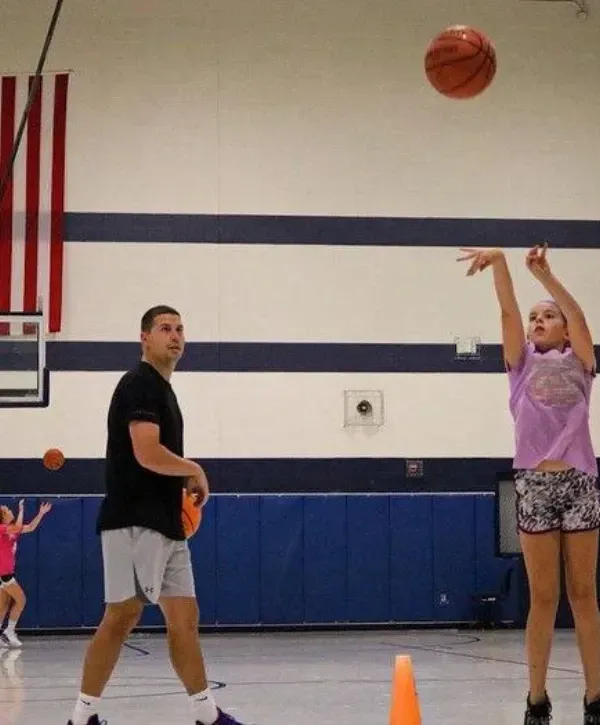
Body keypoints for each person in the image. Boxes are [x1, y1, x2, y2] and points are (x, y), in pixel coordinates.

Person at [67, 305, 249, 725]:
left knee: (184, 619)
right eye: (165, 328)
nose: (175, 335)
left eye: (180, 328)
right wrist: (193, 468)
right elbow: (146, 452)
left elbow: (155, 458)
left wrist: (180, 480)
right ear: (144, 338)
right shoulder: (139, 384)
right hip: (133, 521)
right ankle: (81, 718)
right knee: (122, 616)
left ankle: (206, 715)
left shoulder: (165, 392)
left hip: (167, 524)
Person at [458, 243, 600, 725]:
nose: (538, 320)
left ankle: (595, 697)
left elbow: (579, 318)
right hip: (535, 488)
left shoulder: (580, 364)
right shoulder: (520, 366)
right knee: (544, 597)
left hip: (579, 483)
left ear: (562, 329)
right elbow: (506, 310)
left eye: (547, 317)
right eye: (535, 317)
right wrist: (500, 262)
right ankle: (536, 699)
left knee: (583, 594)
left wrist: (548, 278)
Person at [0, 500, 52, 647]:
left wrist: (41, 514)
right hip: (4, 574)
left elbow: (30, 527)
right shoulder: (2, 529)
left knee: (3, 604)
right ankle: (9, 632)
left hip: (6, 573)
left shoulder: (11, 530)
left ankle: (4, 634)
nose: (11, 512)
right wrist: (21, 510)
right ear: (2, 517)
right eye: (7, 511)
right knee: (21, 600)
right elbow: (17, 527)